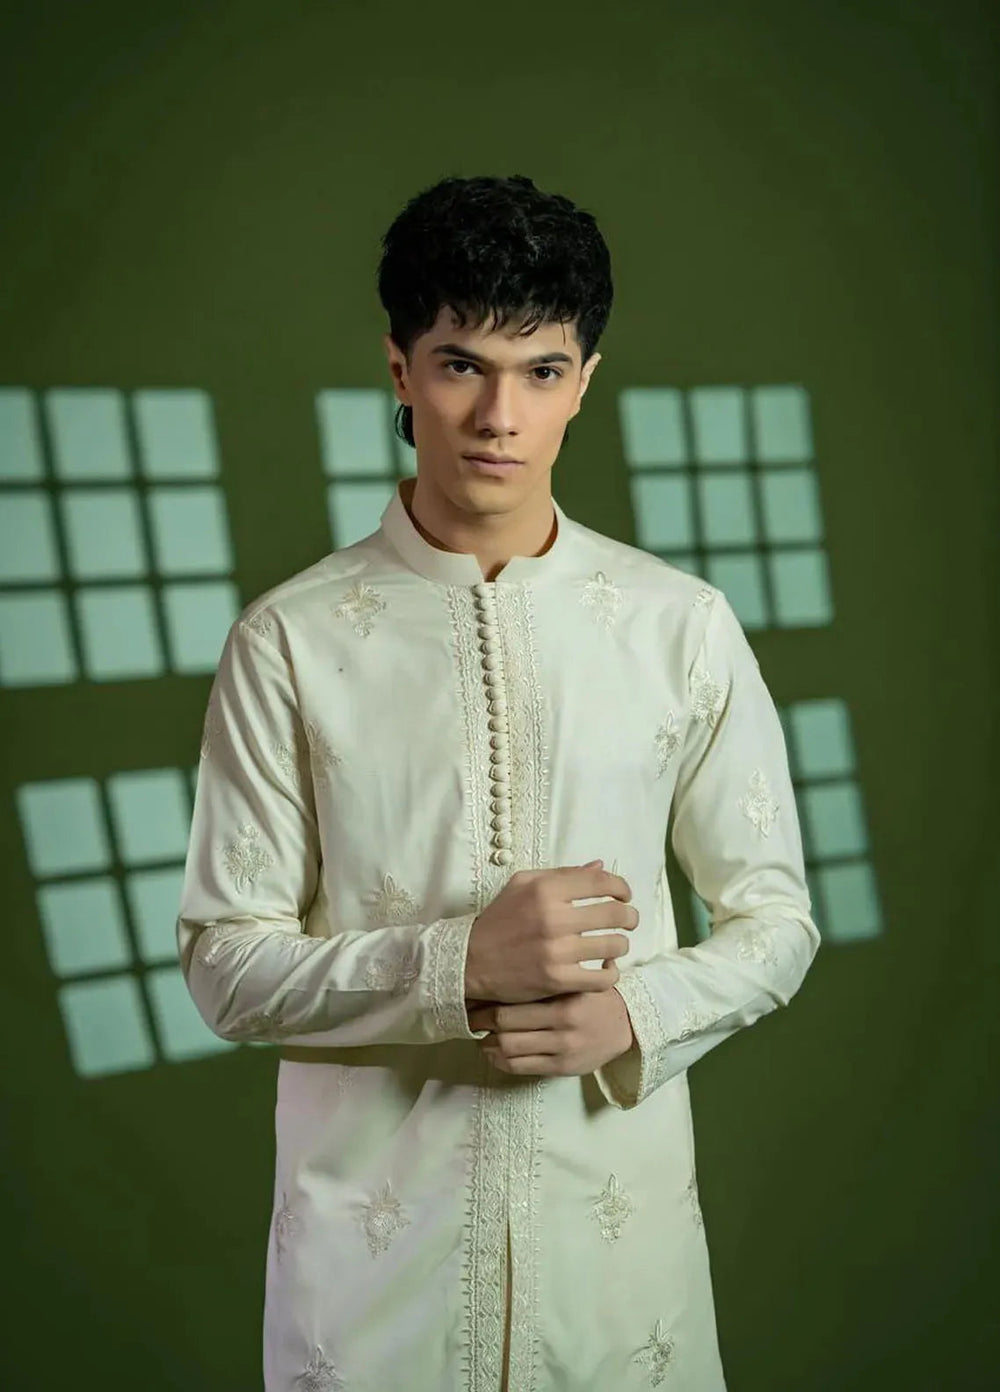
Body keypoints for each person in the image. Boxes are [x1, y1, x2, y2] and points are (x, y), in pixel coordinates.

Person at [176, 173, 821, 1391]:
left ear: (585, 382)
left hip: (618, 1272)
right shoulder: (290, 640)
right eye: (461, 364)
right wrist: (459, 963)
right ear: (399, 369)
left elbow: (776, 922)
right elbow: (224, 965)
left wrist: (637, 1014)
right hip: (370, 1287)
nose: (497, 416)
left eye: (540, 370)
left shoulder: (678, 626)